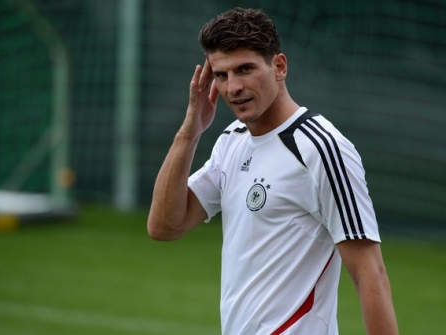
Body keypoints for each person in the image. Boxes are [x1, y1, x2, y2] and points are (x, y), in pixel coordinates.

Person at [147, 7, 398, 335]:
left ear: (279, 67)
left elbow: (370, 272)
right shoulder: (231, 142)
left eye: (245, 69)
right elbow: (165, 226)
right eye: (221, 75)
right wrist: (190, 132)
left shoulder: (321, 149)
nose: (233, 87)